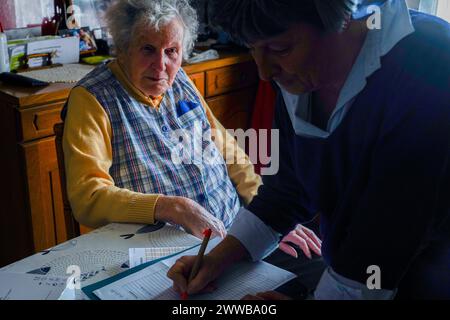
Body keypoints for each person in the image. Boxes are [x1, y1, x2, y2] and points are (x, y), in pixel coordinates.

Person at [168, 0, 450, 299]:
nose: (264, 72)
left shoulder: (431, 61)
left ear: (341, 20)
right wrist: (217, 258)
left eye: (280, 49)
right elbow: (288, 190)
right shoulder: (297, 74)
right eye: (252, 48)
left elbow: (386, 231)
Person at [62, 0, 320, 260]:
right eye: (148, 49)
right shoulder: (93, 98)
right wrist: (170, 207)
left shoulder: (181, 80)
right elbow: (88, 197)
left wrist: (267, 219)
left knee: (311, 267)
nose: (161, 65)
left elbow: (228, 150)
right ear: (124, 47)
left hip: (235, 235)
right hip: (167, 253)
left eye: (172, 51)